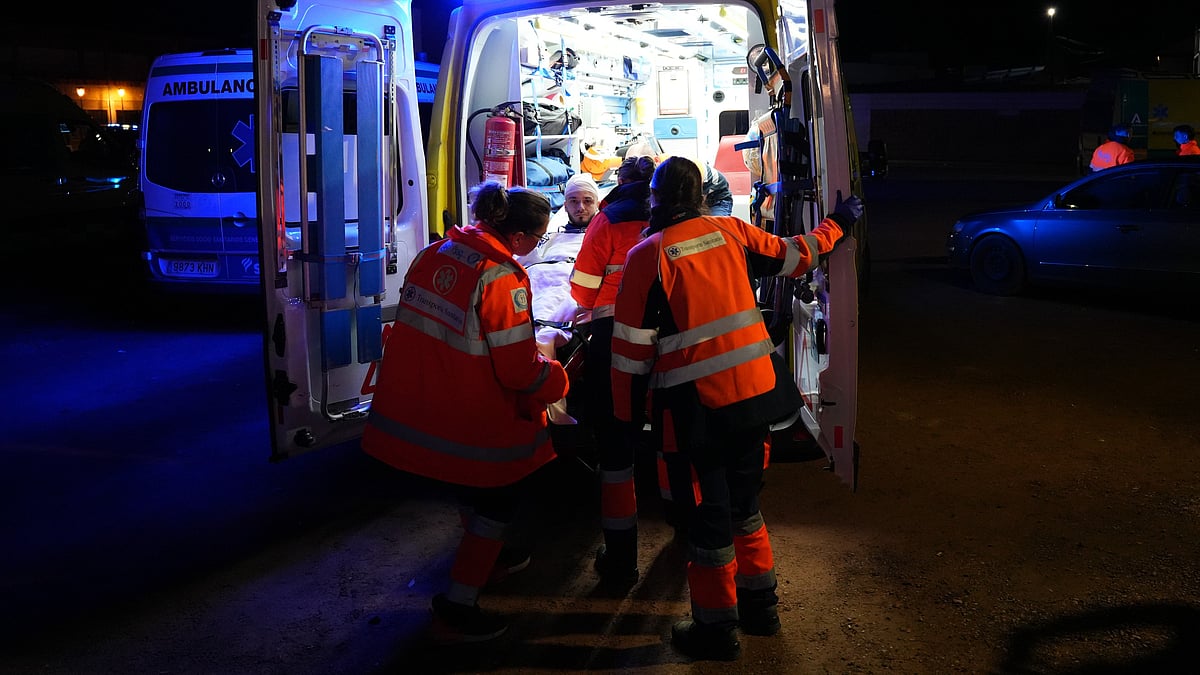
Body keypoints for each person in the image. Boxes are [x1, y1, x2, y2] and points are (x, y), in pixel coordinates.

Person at [610, 156, 862, 661]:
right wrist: (842, 220)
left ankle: (715, 628)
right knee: (746, 507)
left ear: (654, 200)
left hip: (694, 411)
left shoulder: (647, 255)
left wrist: (625, 418)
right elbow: (799, 255)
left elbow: (631, 351)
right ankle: (761, 610)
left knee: (707, 515)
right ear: (701, 195)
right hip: (754, 397)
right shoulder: (732, 231)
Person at [361, 182, 569, 644]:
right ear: (517, 238)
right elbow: (517, 370)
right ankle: (458, 605)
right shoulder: (500, 277)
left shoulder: (437, 252)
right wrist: (557, 378)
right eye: (537, 239)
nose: (536, 248)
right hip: (468, 415)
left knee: (468, 492)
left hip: (420, 406)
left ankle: (488, 556)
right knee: (498, 500)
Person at [568, 154, 657, 586]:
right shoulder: (678, 220)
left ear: (618, 182)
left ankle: (620, 561)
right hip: (666, 338)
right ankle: (686, 521)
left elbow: (584, 289)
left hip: (613, 336)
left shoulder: (608, 220)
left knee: (616, 445)